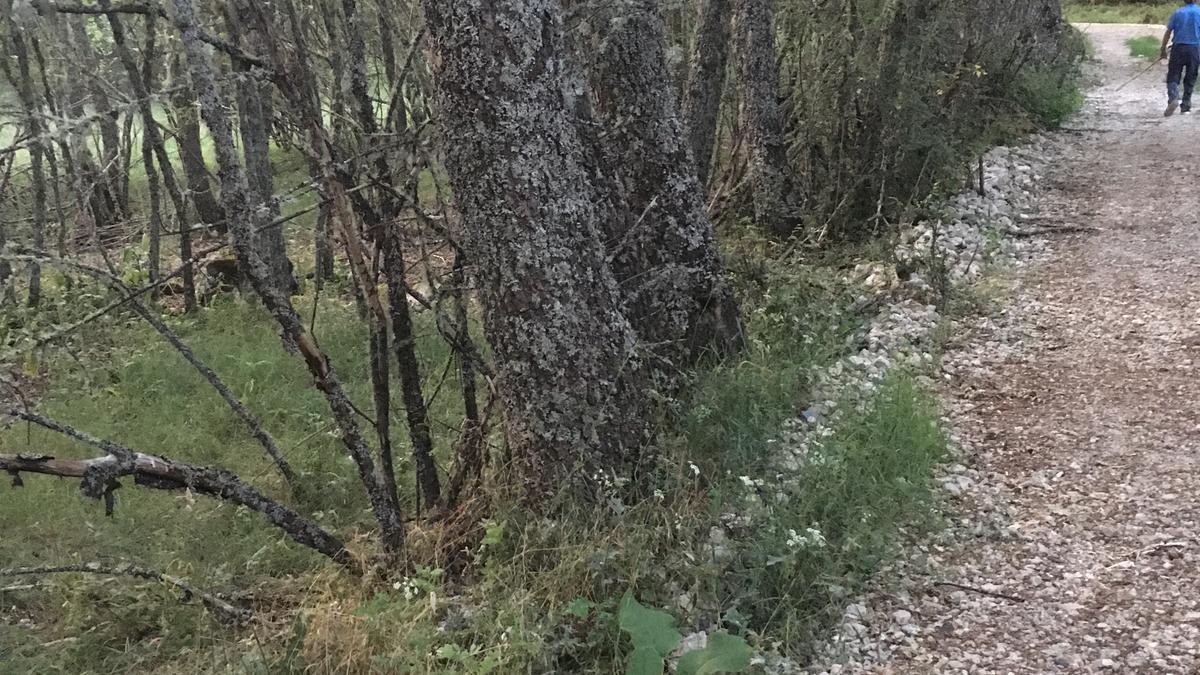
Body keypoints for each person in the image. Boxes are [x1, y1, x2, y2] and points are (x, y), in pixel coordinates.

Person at [1162, 0, 1200, 116]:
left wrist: (1163, 48)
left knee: (1173, 74)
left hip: (1178, 48)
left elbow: (1168, 31)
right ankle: (1185, 107)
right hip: (1194, 48)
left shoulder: (1178, 12)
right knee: (1191, 76)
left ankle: (1173, 97)